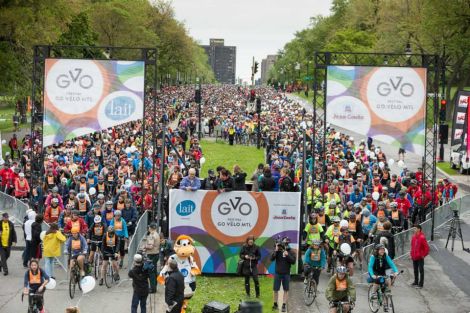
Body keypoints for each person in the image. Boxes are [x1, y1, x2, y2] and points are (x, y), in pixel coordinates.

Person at [368, 244, 399, 312]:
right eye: (381, 249)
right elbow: (370, 267)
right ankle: (373, 293)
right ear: (377, 250)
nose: (382, 251)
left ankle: (386, 303)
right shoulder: (373, 257)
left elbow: (391, 264)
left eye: (383, 249)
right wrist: (372, 275)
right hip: (374, 272)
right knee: (377, 280)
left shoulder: (386, 256)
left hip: (382, 272)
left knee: (387, 282)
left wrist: (396, 271)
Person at [271, 237, 296, 312]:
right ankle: (275, 304)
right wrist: (275, 251)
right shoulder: (277, 250)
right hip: (278, 273)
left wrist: (287, 255)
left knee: (286, 290)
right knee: (275, 290)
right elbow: (271, 259)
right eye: (284, 242)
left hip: (286, 274)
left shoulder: (291, 251)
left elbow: (293, 262)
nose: (285, 243)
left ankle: (284, 305)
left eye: (287, 242)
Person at [410, 224, 429, 289]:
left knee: (421, 270)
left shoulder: (422, 237)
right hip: (414, 256)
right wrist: (411, 254)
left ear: (419, 229)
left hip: (420, 257)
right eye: (413, 228)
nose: (413, 230)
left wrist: (423, 255)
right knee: (415, 270)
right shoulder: (413, 237)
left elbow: (426, 248)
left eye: (415, 228)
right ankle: (416, 281)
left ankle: (421, 284)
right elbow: (412, 246)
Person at [144, 223, 160, 293]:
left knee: (151, 272)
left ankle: (153, 289)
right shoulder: (157, 234)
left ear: (150, 228)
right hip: (156, 254)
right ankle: (154, 286)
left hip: (151, 255)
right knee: (154, 271)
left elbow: (150, 246)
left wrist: (145, 246)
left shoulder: (152, 235)